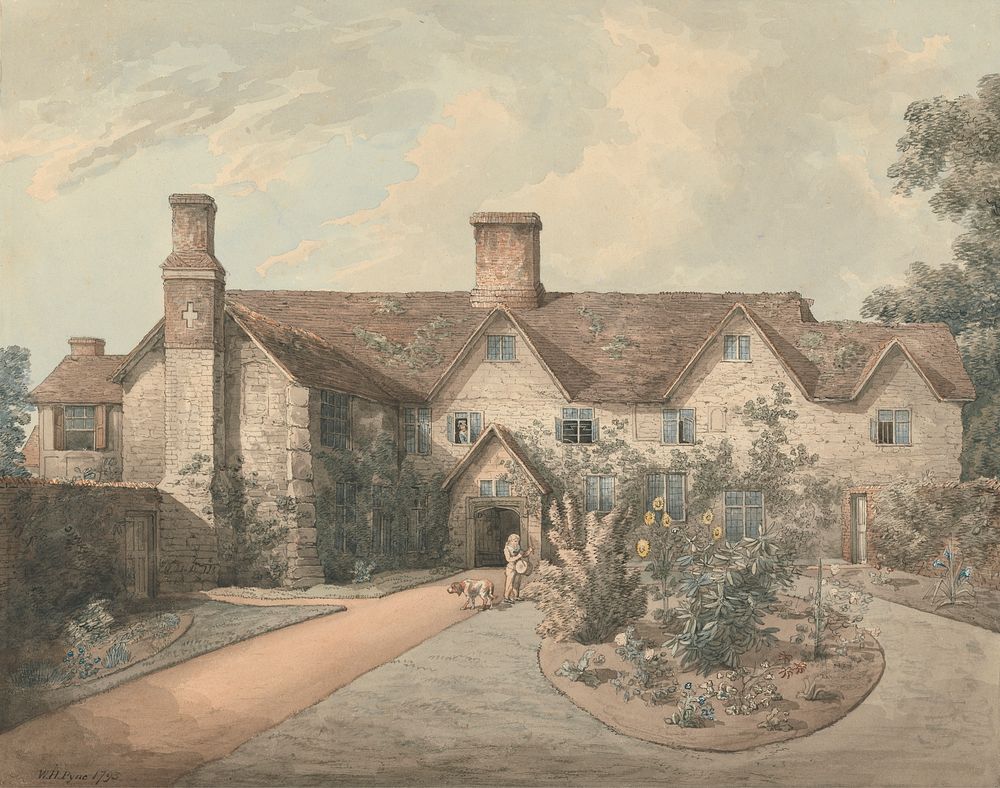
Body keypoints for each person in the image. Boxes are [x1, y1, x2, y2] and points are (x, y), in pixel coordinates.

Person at [503, 533, 532, 603]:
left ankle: (516, 596)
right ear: (510, 541)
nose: (516, 543)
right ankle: (506, 597)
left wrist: (528, 551)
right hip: (511, 568)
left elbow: (523, 555)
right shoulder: (507, 549)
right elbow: (508, 559)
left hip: (518, 568)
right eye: (515, 541)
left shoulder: (517, 547)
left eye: (517, 541)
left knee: (517, 583)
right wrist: (518, 556)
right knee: (509, 583)